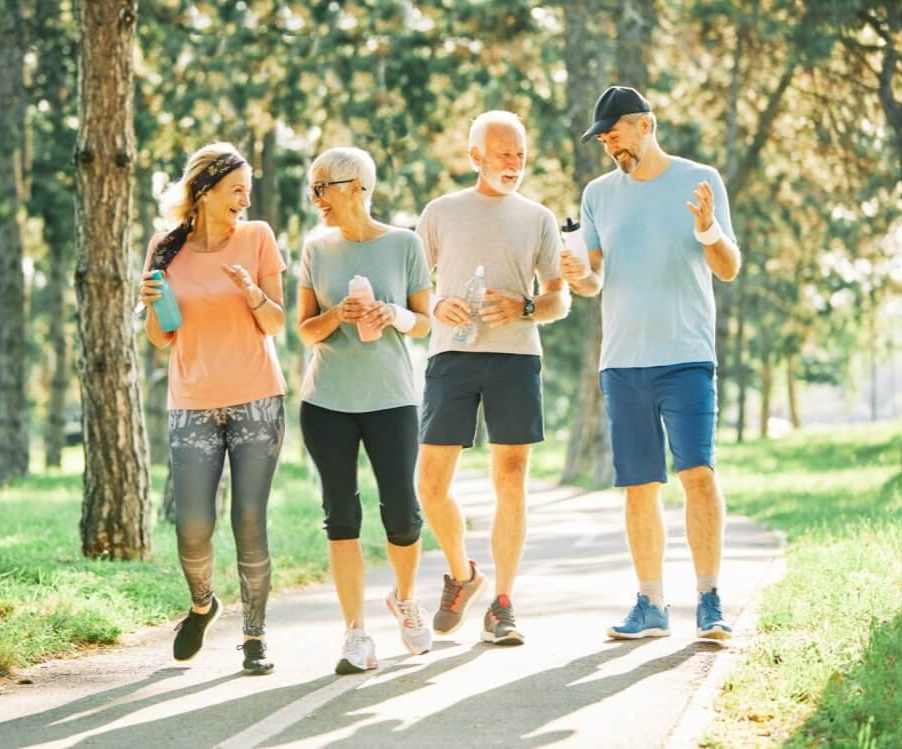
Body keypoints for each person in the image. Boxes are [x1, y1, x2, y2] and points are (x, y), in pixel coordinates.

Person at [560, 86, 741, 640]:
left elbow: (729, 268)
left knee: (699, 475)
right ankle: (651, 605)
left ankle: (709, 599)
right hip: (623, 361)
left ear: (646, 125)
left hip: (686, 355)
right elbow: (594, 279)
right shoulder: (597, 194)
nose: (610, 146)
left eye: (615, 135)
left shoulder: (698, 179)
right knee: (640, 485)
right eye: (604, 139)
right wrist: (576, 277)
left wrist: (708, 229)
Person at [416, 111, 569, 646]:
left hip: (515, 358)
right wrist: (438, 304)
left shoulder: (538, 218)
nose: (514, 163)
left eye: (521, 155)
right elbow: (414, 289)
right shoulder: (440, 212)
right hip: (451, 357)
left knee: (511, 479)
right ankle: (463, 575)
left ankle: (503, 603)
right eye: (503, 153)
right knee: (430, 485)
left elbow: (558, 298)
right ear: (475, 156)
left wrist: (526, 305)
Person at [138, 142, 287, 673]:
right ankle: (203, 606)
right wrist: (154, 305)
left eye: (248, 191)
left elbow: (275, 323)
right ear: (203, 192)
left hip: (256, 399)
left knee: (249, 519)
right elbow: (161, 337)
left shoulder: (257, 237)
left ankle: (254, 637)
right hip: (193, 403)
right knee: (193, 526)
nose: (245, 201)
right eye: (235, 191)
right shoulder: (165, 247)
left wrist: (250, 290)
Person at [297, 146, 434, 674]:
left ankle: (404, 599)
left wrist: (391, 312)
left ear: (356, 187)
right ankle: (355, 634)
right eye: (313, 189)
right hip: (327, 401)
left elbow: (425, 323)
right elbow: (306, 330)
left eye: (322, 187)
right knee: (341, 516)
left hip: (392, 399)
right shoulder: (317, 249)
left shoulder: (405, 243)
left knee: (402, 514)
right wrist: (337, 314)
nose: (316, 199)